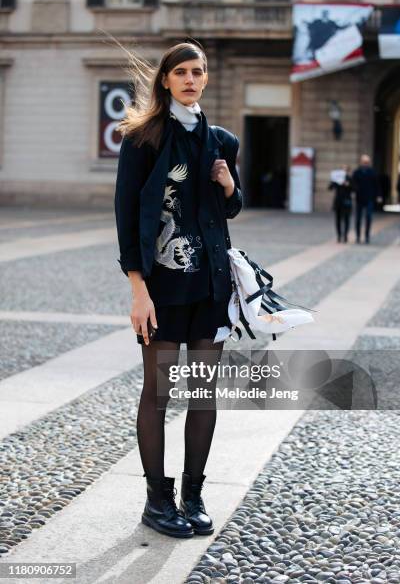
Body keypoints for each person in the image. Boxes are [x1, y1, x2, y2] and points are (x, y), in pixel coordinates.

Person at [114, 42, 242, 539]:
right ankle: (156, 499)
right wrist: (137, 290)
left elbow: (231, 209)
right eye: (181, 72)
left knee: (204, 392)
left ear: (206, 79)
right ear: (165, 79)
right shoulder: (142, 139)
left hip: (210, 286)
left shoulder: (221, 141)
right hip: (163, 288)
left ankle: (193, 494)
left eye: (199, 71)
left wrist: (229, 186)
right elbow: (127, 216)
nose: (191, 79)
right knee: (160, 392)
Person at [352, 154, 379, 244]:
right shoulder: (357, 172)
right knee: (358, 219)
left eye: (367, 162)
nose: (365, 164)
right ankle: (358, 236)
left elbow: (377, 185)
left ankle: (367, 236)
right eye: (364, 162)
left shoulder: (372, 172)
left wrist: (378, 196)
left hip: (369, 198)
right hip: (359, 198)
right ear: (361, 162)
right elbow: (353, 184)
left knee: (368, 217)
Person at [328, 165, 353, 243]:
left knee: (346, 219)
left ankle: (345, 235)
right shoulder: (336, 179)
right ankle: (339, 235)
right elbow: (330, 188)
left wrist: (348, 185)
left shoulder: (349, 179)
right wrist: (333, 181)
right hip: (338, 201)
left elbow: (355, 188)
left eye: (345, 170)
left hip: (346, 201)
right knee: (338, 219)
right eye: (342, 169)